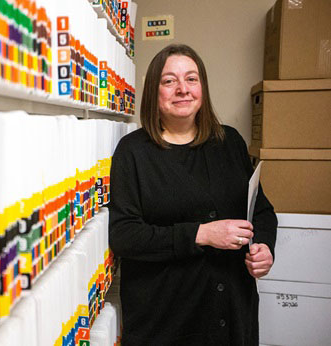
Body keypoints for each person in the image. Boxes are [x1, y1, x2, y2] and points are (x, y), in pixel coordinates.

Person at [109, 44, 277, 346]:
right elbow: (124, 235)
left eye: (192, 78)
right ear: (154, 92)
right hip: (166, 319)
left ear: (203, 88)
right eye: (169, 81)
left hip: (231, 315)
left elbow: (261, 210)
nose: (182, 89)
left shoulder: (230, 142)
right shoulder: (133, 152)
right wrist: (201, 234)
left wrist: (264, 247)